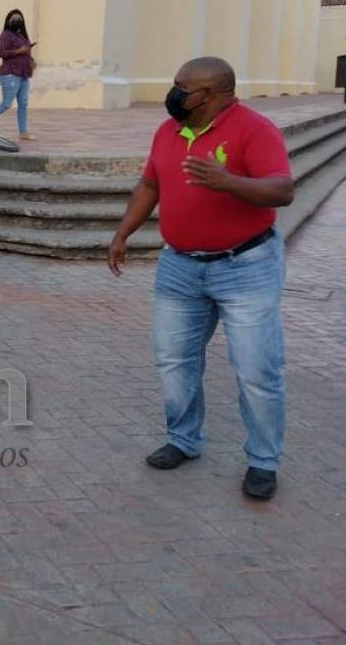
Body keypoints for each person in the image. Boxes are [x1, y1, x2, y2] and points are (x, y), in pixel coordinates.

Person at [109, 57, 294, 501]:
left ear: (211, 95)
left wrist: (229, 182)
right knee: (174, 360)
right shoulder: (169, 130)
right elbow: (150, 185)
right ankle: (184, 439)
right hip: (180, 267)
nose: (172, 93)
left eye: (181, 87)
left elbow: (283, 190)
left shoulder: (255, 129)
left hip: (245, 267)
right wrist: (123, 232)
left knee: (255, 369)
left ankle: (263, 460)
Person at [0, 8, 36, 141]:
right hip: (10, 73)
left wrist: (32, 61)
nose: (17, 21)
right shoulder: (6, 35)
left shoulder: (22, 36)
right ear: (8, 21)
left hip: (23, 74)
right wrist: (18, 51)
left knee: (23, 103)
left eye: (19, 19)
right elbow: (0, 52)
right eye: (14, 19)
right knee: (6, 104)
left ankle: (23, 132)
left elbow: (26, 52)